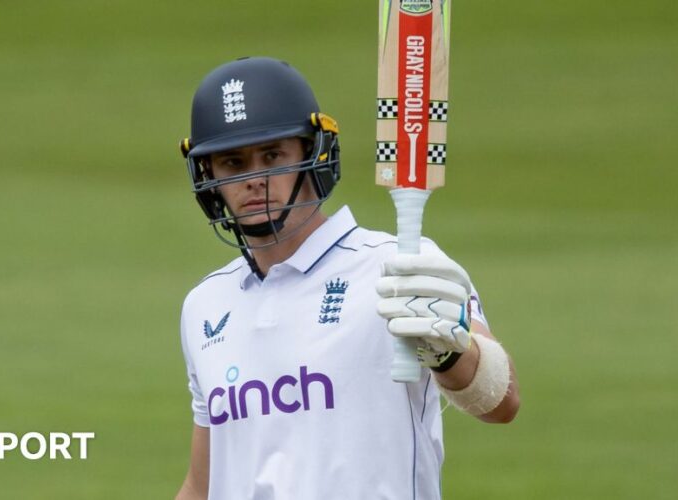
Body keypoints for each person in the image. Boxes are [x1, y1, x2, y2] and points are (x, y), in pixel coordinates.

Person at [175, 56, 519, 500]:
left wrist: (451, 353)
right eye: (233, 163)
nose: (255, 179)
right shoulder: (205, 305)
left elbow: (501, 402)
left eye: (273, 155)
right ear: (210, 177)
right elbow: (203, 484)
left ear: (313, 154)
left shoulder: (398, 265)